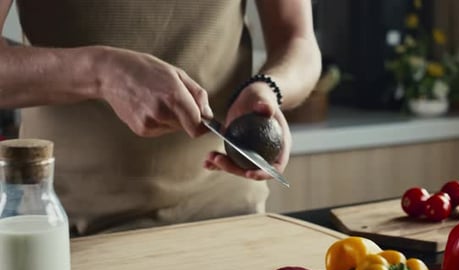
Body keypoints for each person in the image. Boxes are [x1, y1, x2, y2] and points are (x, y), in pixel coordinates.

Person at [0, 0, 321, 235]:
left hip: (228, 218)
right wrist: (100, 72)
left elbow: (299, 41)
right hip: (65, 227)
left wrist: (268, 88)